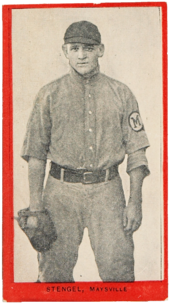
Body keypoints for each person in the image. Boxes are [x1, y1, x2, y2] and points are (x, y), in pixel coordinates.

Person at [21, 20, 150, 282]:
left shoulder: (121, 93)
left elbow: (137, 152)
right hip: (60, 192)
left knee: (119, 270)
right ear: (64, 51)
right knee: (53, 272)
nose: (82, 55)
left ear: (100, 50)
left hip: (107, 191)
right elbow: (36, 155)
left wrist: (135, 201)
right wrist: (36, 208)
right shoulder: (49, 95)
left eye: (89, 48)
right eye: (75, 48)